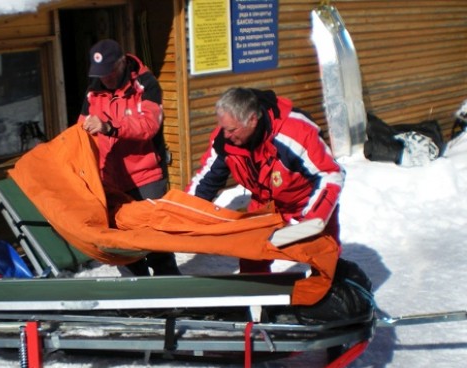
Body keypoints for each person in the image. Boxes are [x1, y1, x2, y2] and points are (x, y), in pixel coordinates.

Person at [186, 87, 345, 273]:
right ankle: (258, 298)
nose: (226, 135)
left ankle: (332, 295)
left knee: (325, 258)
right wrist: (182, 214)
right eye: (223, 128)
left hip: (307, 201)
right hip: (264, 203)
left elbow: (330, 175)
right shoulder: (224, 140)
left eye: (231, 129)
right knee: (252, 258)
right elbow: (206, 182)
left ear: (253, 119)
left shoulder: (295, 132)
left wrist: (311, 221)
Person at [79, 39, 180, 276]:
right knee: (123, 246)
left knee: (156, 241)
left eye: (110, 72)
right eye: (100, 74)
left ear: (122, 62)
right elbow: (80, 130)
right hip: (110, 179)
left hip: (146, 176)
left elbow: (148, 125)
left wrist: (110, 127)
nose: (106, 78)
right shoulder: (93, 91)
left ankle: (173, 291)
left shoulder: (146, 84)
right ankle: (140, 299)